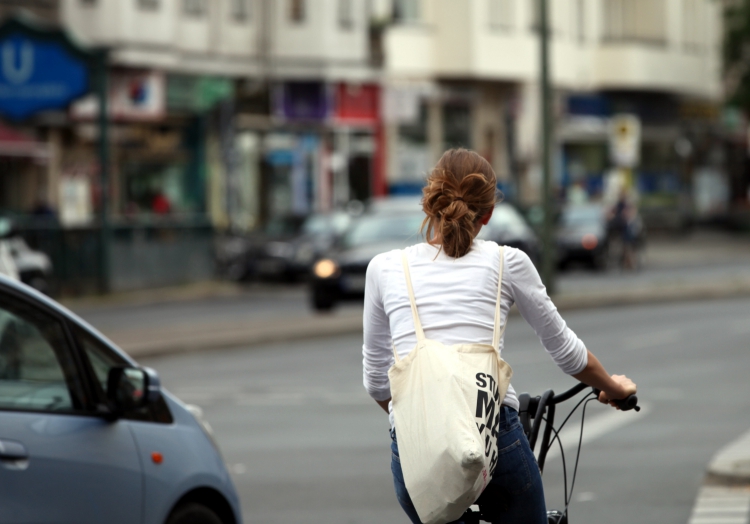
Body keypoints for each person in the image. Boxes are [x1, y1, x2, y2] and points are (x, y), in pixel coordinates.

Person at [362, 149, 636, 524]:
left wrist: (423, 420)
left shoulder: (384, 268)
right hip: (495, 436)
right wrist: (614, 387)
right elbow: (568, 354)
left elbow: (378, 381)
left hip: (415, 452)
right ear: (488, 214)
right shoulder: (509, 262)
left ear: (430, 204)